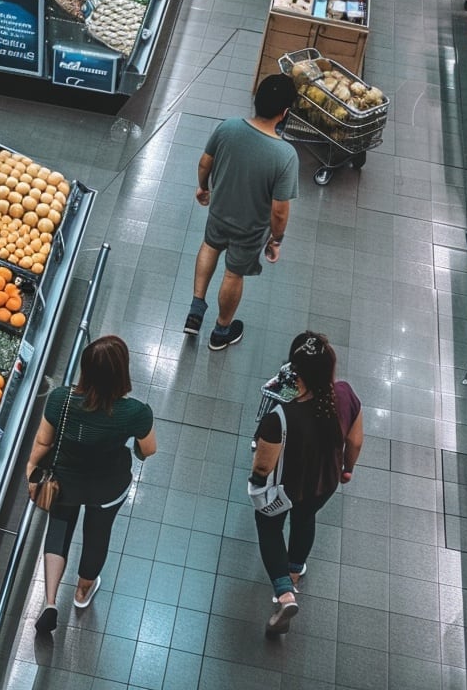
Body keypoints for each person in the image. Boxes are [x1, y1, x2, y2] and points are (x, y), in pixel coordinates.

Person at [25, 335, 158, 635]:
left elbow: (44, 441)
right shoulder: (136, 412)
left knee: (58, 530)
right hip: (108, 487)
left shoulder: (61, 399)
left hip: (65, 482)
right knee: (98, 535)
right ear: (122, 372)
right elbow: (148, 449)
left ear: (85, 369)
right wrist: (134, 449)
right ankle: (82, 592)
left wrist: (31, 469)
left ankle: (49, 602)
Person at [249, 331, 364, 636]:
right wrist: (347, 470)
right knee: (305, 520)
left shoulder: (280, 416)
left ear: (296, 372)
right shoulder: (345, 394)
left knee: (269, 526)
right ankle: (295, 570)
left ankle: (285, 594)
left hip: (286, 488)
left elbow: (263, 463)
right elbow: (354, 442)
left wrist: (257, 481)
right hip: (324, 484)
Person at [186, 74, 300, 351]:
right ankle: (220, 332)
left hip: (220, 211)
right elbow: (279, 211)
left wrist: (203, 188)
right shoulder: (285, 155)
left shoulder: (229, 127)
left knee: (209, 247)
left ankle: (196, 308)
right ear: (285, 113)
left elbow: (204, 162)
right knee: (233, 275)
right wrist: (276, 240)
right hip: (250, 230)